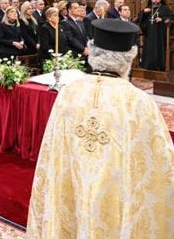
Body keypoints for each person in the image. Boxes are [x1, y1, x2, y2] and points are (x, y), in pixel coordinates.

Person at [27, 18, 174, 238]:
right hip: (113, 198)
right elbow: (158, 164)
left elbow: (51, 153)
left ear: (93, 52)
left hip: (73, 185)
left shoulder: (69, 92)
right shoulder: (137, 101)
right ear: (129, 59)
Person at [138, 0, 172, 71]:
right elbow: (139, 18)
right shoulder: (148, 9)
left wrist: (162, 19)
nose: (155, 1)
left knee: (159, 48)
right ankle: (147, 65)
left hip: (160, 33)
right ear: (151, 0)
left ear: (160, 0)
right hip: (149, 33)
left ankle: (159, 66)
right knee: (149, 48)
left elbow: (171, 17)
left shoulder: (165, 8)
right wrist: (143, 12)